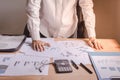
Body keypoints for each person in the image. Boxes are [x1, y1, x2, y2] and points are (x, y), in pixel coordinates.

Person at [26, 0, 103, 52]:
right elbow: (32, 8)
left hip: (69, 31)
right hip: (43, 32)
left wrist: (92, 36)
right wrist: (35, 38)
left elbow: (87, 7)